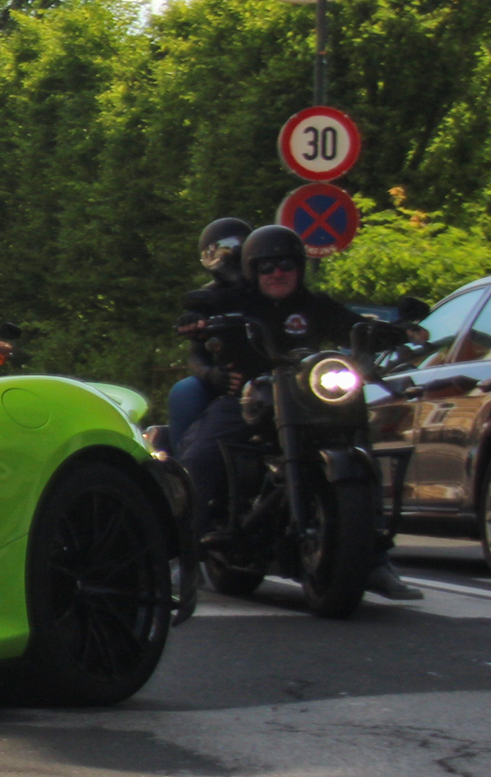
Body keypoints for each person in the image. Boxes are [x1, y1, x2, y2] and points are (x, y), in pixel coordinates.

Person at [176, 224, 419, 599]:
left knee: (360, 447)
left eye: (286, 264)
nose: (277, 273)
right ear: (252, 270)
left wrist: (392, 331)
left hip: (307, 396)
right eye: (266, 266)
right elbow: (200, 308)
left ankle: (373, 560)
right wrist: (192, 320)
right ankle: (182, 557)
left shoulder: (315, 305)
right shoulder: (235, 303)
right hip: (249, 397)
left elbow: (350, 324)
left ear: (299, 267)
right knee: (202, 455)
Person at [169, 216, 252, 446]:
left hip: (279, 379)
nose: (229, 256)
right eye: (215, 252)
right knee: (185, 393)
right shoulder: (206, 299)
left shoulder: (271, 288)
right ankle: (183, 469)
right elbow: (196, 354)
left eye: (236, 246)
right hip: (229, 385)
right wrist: (212, 375)